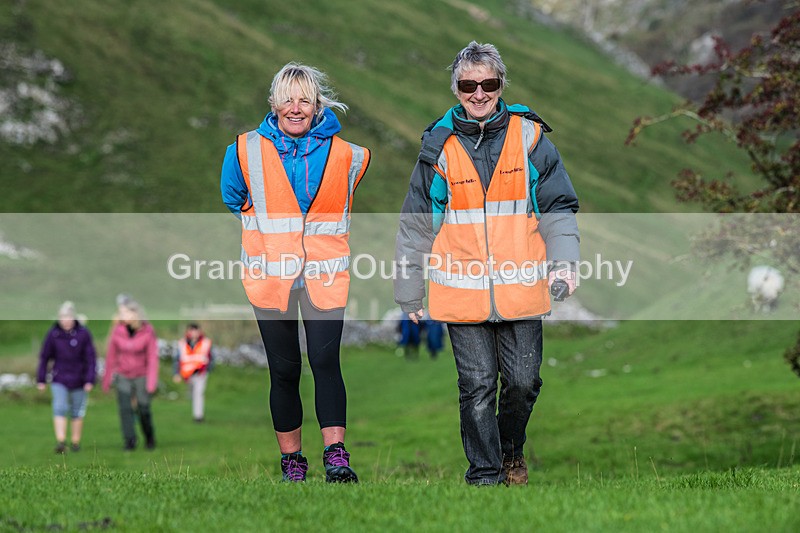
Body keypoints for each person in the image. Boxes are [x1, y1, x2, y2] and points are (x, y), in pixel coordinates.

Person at [394, 41, 580, 486]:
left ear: (501, 86)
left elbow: (558, 208)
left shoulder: (529, 138)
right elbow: (416, 224)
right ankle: (484, 476)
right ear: (456, 88)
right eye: (468, 84)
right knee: (477, 387)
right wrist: (408, 289)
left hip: (522, 287)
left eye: (488, 83)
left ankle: (511, 449)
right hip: (460, 289)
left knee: (522, 384)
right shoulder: (437, 145)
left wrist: (565, 264)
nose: (478, 93)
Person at [220, 62, 370, 483]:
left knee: (326, 362)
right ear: (273, 103)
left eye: (304, 98)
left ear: (317, 104)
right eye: (287, 98)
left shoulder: (348, 154)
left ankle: (336, 456)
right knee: (283, 370)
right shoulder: (246, 149)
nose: (296, 107)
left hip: (325, 272)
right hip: (271, 274)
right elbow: (233, 195)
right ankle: (292, 463)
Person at [36, 301, 97, 454]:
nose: (66, 320)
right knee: (60, 407)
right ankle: (61, 441)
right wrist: (41, 379)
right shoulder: (53, 334)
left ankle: (75, 441)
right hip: (59, 378)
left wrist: (90, 379)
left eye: (69, 316)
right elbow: (45, 357)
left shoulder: (83, 334)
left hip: (79, 378)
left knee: (77, 411)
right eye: (63, 317)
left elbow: (91, 358)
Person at [102, 297, 160, 451]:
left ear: (135, 314)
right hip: (123, 375)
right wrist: (106, 379)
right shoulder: (118, 331)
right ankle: (130, 440)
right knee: (125, 407)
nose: (121, 316)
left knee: (143, 407)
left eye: (125, 313)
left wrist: (151, 381)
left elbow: (153, 358)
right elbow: (111, 356)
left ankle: (149, 436)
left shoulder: (147, 331)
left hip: (142, 374)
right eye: (120, 313)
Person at [172, 323, 213, 422]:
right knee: (192, 393)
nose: (194, 333)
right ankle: (196, 412)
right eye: (192, 331)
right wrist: (176, 373)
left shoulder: (206, 342)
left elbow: (211, 357)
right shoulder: (182, 343)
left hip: (201, 373)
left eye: (196, 331)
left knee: (198, 393)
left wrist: (208, 369)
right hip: (188, 374)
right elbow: (177, 359)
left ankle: (198, 416)